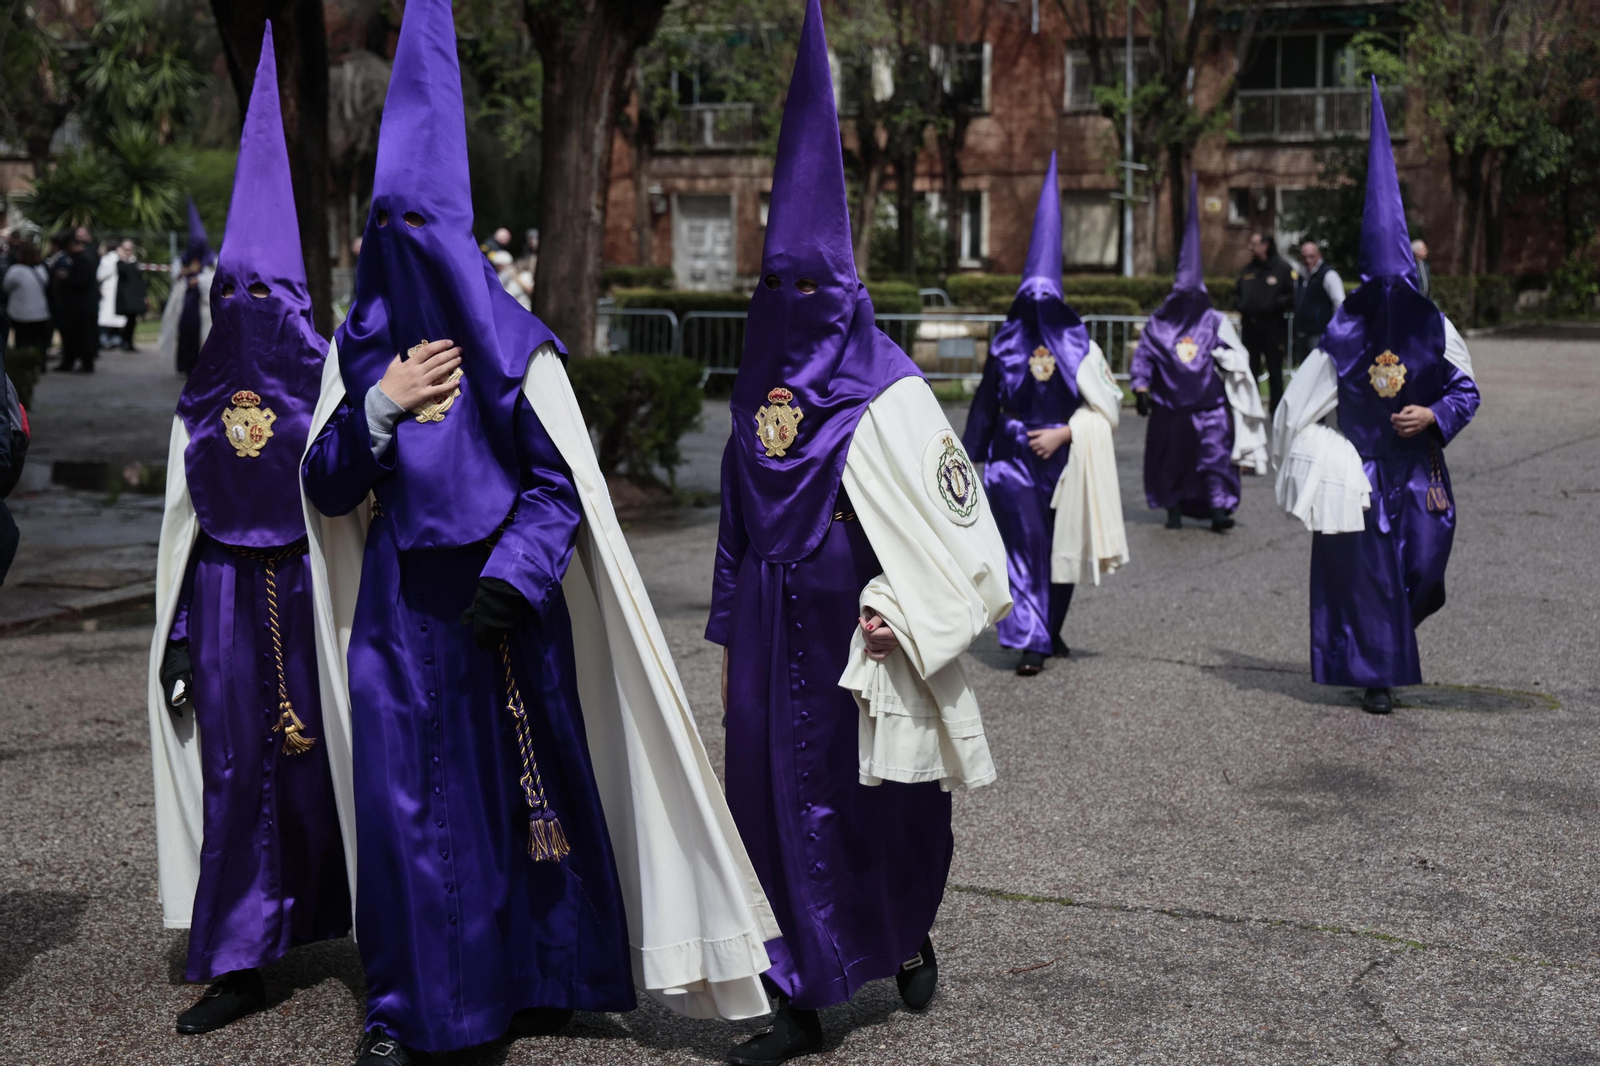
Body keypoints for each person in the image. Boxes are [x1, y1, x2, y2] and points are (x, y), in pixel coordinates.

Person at [299, 4, 775, 1061]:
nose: (403, 256)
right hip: (399, 612)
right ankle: (419, 1011)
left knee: (525, 796)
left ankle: (543, 976)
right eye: (388, 234)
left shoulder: (515, 348)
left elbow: (561, 481)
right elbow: (327, 484)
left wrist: (515, 574)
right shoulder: (359, 352)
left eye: (421, 232)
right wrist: (378, 403)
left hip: (504, 615)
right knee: (409, 816)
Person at [709, 4, 1011, 1061]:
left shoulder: (890, 390)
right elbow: (736, 509)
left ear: (842, 286)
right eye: (774, 284)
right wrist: (728, 632)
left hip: (858, 625)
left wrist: (912, 614)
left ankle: (903, 930)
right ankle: (797, 988)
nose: (790, 303)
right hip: (768, 620)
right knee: (767, 798)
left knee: (877, 799)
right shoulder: (756, 387)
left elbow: (955, 526)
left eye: (810, 285)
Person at [148, 27, 351, 1035]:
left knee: (332, 759)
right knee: (237, 768)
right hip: (227, 594)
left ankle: (339, 916)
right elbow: (182, 530)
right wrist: (181, 637)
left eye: (266, 294)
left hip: (314, 591)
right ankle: (238, 956)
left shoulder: (335, 370)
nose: (247, 310)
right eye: (235, 292)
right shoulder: (196, 396)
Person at [1271, 80, 1479, 717]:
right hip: (1362, 476)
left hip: (1420, 474)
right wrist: (1304, 459)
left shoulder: (1435, 327)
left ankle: (1386, 640)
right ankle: (1378, 674)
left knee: (1424, 568)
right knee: (1369, 576)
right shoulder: (1342, 338)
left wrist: (1435, 414)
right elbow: (1293, 408)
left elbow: (1466, 389)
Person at [962, 152, 1127, 675]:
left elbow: (1108, 405)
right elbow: (986, 403)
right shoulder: (1005, 341)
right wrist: (968, 460)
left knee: (1061, 550)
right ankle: (1031, 638)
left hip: (1063, 461)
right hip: (1012, 458)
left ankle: (1051, 628)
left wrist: (1063, 433)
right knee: (1024, 547)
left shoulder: (1080, 345)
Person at [1132, 174, 1269, 532]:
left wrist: (1232, 362)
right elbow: (1144, 357)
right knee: (1172, 462)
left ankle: (1219, 508)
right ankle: (1173, 507)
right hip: (1170, 409)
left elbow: (1235, 354)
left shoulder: (1214, 321)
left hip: (1209, 406)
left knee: (1214, 457)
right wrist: (1141, 389)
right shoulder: (1158, 325)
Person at [1235, 229, 1295, 415]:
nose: (1250, 248)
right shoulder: (1248, 270)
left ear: (1265, 246)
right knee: (1250, 369)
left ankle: (1276, 410)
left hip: (1272, 327)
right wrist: (1242, 305)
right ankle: (1250, 408)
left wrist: (1273, 305)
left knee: (1274, 369)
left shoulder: (1282, 269)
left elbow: (1291, 297)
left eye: (1254, 244)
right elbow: (1237, 294)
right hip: (1250, 327)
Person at [157, 201, 216, 375]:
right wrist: (184, 273)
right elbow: (175, 275)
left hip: (203, 304)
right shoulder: (183, 259)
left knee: (205, 335)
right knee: (186, 333)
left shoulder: (212, 259)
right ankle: (185, 366)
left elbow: (215, 277)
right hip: (186, 303)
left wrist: (200, 280)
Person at [52, 227, 99, 373]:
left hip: (81, 308)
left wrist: (65, 278)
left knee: (83, 337)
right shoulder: (80, 259)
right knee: (74, 337)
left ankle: (86, 364)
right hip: (79, 307)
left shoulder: (84, 260)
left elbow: (80, 282)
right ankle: (70, 361)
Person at [1293, 238, 1345, 363]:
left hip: (1320, 333)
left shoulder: (1328, 275)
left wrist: (1334, 329)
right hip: (1302, 332)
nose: (1308, 260)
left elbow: (1339, 303)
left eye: (1311, 256)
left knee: (1317, 369)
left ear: (1319, 256)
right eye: (1304, 257)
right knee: (1304, 370)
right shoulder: (1302, 276)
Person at [5, 241, 54, 354]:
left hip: (20, 314)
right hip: (41, 313)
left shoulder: (15, 270)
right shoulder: (41, 269)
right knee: (38, 342)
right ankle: (40, 363)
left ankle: (23, 364)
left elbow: (6, 287)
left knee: (22, 342)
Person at [115, 239, 148, 350]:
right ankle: (125, 341)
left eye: (130, 249)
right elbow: (123, 272)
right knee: (127, 320)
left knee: (133, 320)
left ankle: (129, 342)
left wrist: (144, 295)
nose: (128, 252)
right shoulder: (120, 263)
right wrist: (123, 258)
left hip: (135, 296)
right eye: (126, 249)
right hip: (125, 297)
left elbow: (140, 280)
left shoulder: (135, 263)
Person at [97, 239, 126, 349]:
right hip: (118, 293)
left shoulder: (107, 260)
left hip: (107, 292)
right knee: (116, 319)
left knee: (105, 319)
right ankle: (116, 339)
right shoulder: (122, 259)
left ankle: (104, 340)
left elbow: (99, 275)